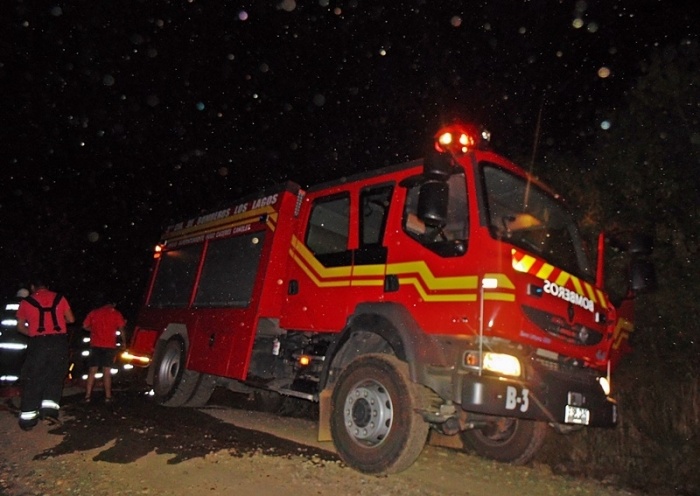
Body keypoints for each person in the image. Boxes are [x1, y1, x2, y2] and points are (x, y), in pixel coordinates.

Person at [16, 279, 75, 430]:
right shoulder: (59, 298)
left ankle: (28, 419)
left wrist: (34, 333)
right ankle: (49, 413)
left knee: (33, 377)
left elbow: (20, 327)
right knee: (55, 377)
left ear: (32, 287)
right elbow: (71, 319)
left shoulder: (27, 302)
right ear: (47, 286)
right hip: (58, 342)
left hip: (38, 343)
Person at [82, 296, 126, 404]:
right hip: (109, 346)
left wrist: (94, 329)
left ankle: (87, 396)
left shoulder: (95, 312)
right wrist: (124, 342)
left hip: (95, 345)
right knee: (107, 371)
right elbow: (121, 328)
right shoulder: (116, 313)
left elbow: (84, 326)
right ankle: (108, 397)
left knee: (92, 371)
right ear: (113, 304)